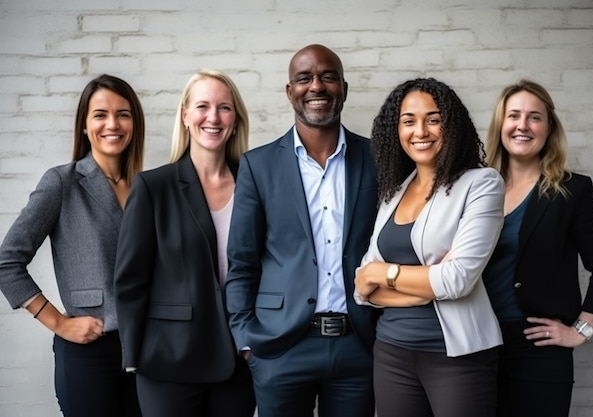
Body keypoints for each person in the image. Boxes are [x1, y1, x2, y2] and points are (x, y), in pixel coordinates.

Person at [224, 44, 378, 417]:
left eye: (328, 77)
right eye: (304, 78)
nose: (317, 87)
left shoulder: (376, 159)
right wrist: (247, 342)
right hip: (280, 348)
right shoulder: (258, 165)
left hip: (359, 344)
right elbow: (241, 263)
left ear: (344, 87)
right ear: (289, 90)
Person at [354, 77, 505, 417]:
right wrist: (425, 286)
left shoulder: (480, 184)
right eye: (408, 121)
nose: (420, 130)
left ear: (451, 126)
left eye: (433, 119)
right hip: (391, 352)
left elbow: (456, 280)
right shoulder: (394, 191)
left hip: (457, 358)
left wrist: (385, 272)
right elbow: (363, 287)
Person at [0, 74, 144, 417]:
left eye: (123, 114)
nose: (113, 124)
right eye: (100, 115)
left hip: (147, 350)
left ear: (135, 122)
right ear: (84, 125)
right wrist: (59, 323)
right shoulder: (61, 183)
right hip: (89, 354)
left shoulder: (147, 187)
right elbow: (7, 263)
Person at [114, 69, 255, 417]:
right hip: (168, 362)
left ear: (235, 120)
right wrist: (134, 357)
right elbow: (130, 279)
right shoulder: (153, 187)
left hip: (240, 359)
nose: (213, 116)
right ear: (186, 116)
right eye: (203, 106)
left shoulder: (256, 185)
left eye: (224, 107)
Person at [482, 79, 593, 417]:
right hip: (477, 343)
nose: (522, 126)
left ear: (548, 128)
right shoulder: (477, 187)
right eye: (513, 115)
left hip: (539, 350)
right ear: (501, 125)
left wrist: (580, 330)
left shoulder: (572, 190)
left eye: (534, 117)